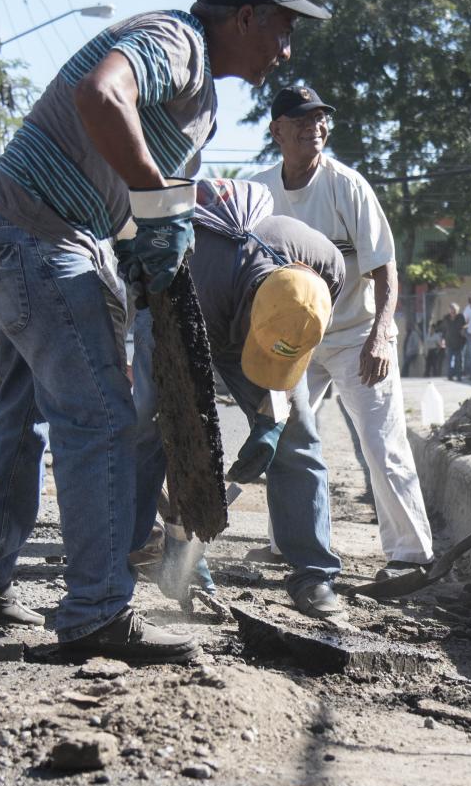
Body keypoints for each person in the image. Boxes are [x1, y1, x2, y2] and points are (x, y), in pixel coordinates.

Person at [0, 0, 329, 660]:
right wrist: (152, 205)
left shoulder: (201, 102)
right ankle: (94, 615)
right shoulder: (178, 43)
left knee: (22, 413)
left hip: (42, 231)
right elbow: (99, 95)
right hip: (29, 229)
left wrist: (151, 227)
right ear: (243, 17)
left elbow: (143, 193)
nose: (286, 48)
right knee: (100, 413)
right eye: (281, 28)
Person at [255, 85, 435, 575]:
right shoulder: (258, 192)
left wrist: (380, 337)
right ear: (277, 131)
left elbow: (386, 271)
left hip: (357, 333)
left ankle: (411, 555)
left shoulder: (347, 186)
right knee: (283, 439)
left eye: (319, 119)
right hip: (295, 340)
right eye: (301, 119)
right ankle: (286, 543)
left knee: (381, 444)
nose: (314, 126)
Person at [148, 178, 346, 618]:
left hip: (266, 322)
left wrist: (273, 419)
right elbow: (187, 426)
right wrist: (187, 534)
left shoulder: (327, 267)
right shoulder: (200, 291)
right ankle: (162, 545)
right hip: (201, 319)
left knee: (298, 441)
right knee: (155, 432)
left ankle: (314, 574)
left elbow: (294, 347)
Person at [441, 302, 469, 380]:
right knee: (449, 360)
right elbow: (444, 330)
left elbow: (466, 324)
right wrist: (443, 340)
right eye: (451, 309)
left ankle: (459, 376)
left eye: (455, 310)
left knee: (459, 360)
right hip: (449, 342)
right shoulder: (446, 318)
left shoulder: (461, 317)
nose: (453, 311)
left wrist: (464, 328)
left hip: (459, 343)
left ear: (457, 310)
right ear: (449, 310)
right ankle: (450, 376)